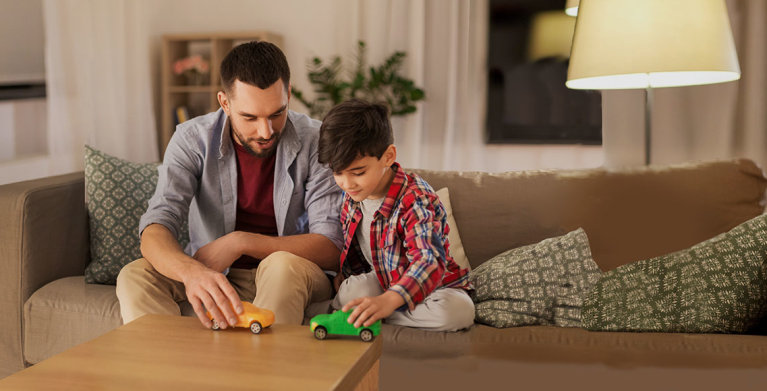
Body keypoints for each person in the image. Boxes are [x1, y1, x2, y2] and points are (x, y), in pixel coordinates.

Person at [116, 41, 343, 329]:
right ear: (225, 102)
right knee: (135, 276)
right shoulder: (191, 139)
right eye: (250, 117)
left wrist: (241, 241)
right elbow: (157, 225)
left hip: (291, 270)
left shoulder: (317, 140)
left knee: (281, 266)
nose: (266, 131)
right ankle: (169, 371)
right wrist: (190, 272)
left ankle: (262, 374)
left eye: (277, 113)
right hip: (216, 272)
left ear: (288, 94)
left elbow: (331, 246)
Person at [317, 99, 475, 332]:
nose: (346, 183)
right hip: (381, 281)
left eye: (358, 172)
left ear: (388, 156)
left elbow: (428, 260)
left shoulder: (416, 198)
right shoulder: (353, 195)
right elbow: (357, 252)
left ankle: (368, 316)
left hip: (432, 289)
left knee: (458, 311)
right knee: (353, 290)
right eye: (337, 172)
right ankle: (365, 312)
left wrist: (388, 302)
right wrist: (345, 275)